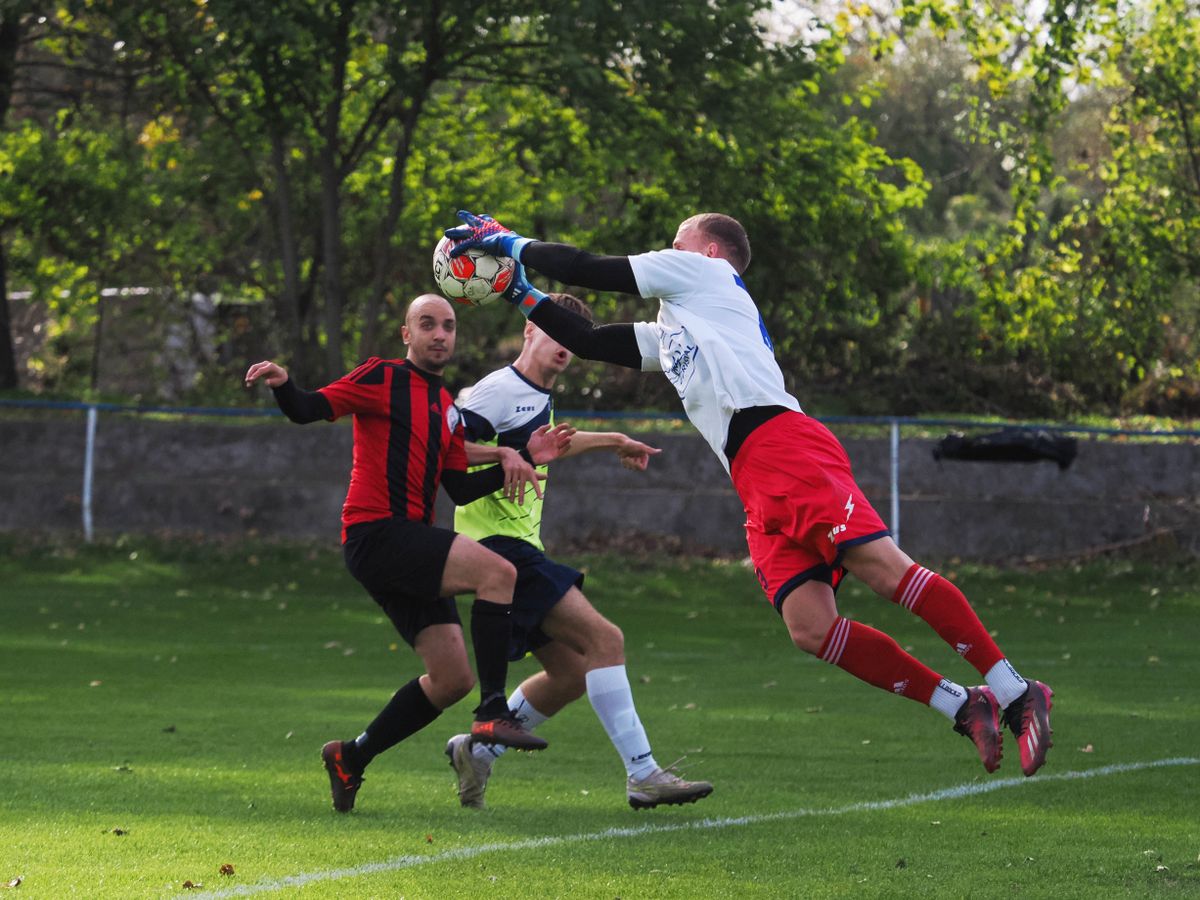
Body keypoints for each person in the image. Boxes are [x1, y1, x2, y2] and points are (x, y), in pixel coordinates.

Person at [443, 211, 1055, 778]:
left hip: (784, 445)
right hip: (754, 472)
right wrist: (517, 290)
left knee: (883, 570)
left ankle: (1014, 691)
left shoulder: (704, 273)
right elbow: (593, 338)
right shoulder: (681, 325)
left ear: (708, 251)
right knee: (811, 628)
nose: (669, 250)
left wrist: (509, 242)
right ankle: (959, 704)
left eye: (677, 241)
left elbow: (586, 269)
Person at [244, 293, 572, 813]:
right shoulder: (381, 377)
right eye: (427, 325)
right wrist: (285, 385)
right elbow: (310, 408)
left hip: (406, 542)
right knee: (499, 573)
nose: (440, 334)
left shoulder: (445, 408)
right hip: (377, 533)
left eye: (448, 326)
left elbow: (459, 489)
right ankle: (492, 711)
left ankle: (351, 757)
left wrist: (526, 454)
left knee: (449, 680)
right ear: (407, 335)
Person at [442, 292, 714, 810]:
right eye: (554, 330)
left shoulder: (537, 396)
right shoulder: (498, 390)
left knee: (568, 674)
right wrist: (503, 451)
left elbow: (553, 442)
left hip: (518, 548)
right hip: (497, 551)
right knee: (605, 640)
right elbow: (445, 446)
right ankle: (643, 773)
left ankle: (478, 753)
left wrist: (614, 439)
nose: (563, 344)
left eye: (572, 336)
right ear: (528, 330)